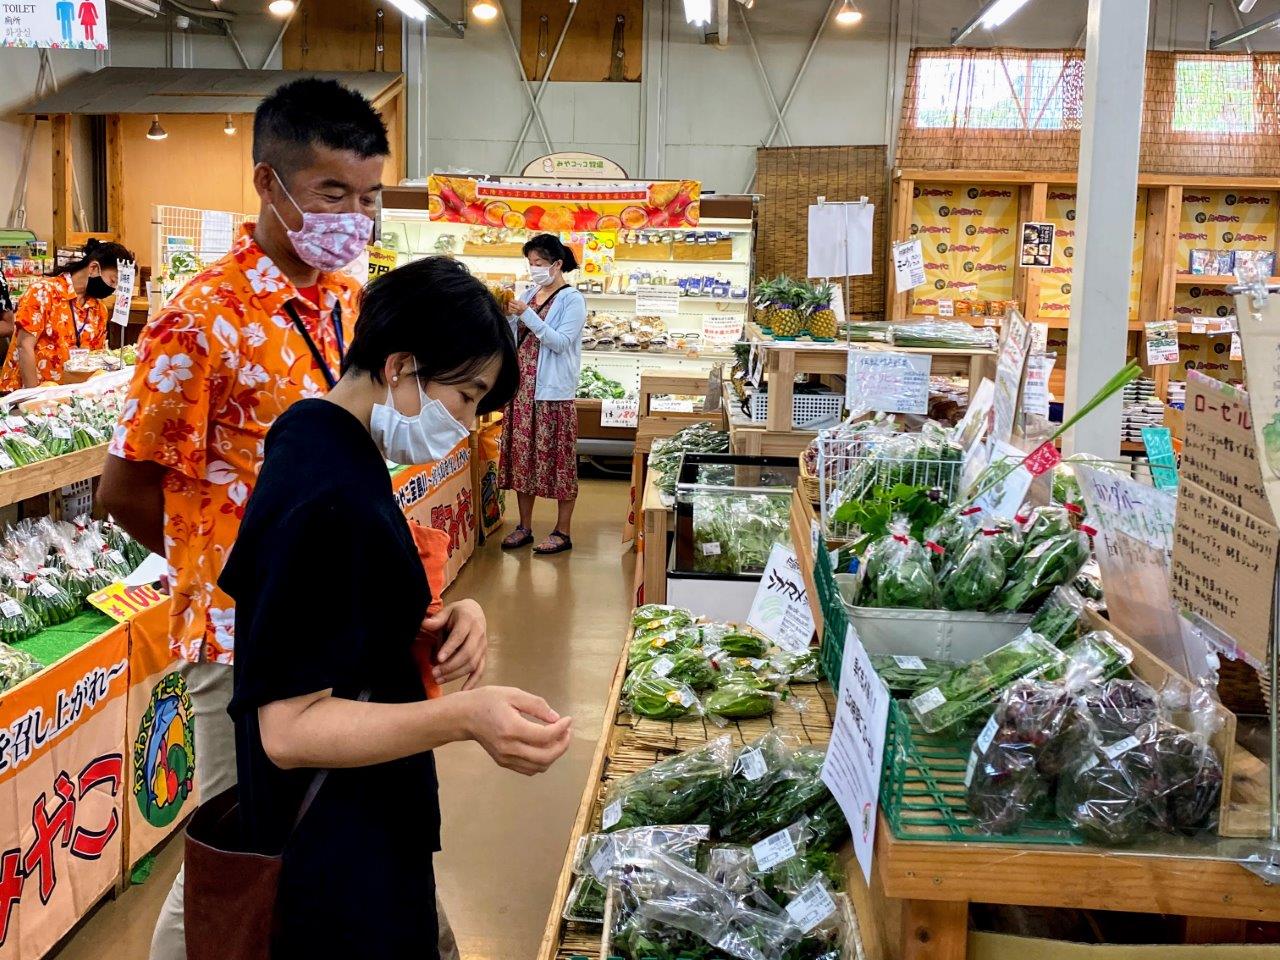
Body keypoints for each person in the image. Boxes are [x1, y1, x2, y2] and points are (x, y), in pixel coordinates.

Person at [96, 78, 464, 960]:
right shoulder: (201, 320)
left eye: (369, 196)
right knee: (241, 851)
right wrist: (247, 577)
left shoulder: (347, 299)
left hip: (344, 629)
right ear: (270, 183)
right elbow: (125, 490)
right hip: (242, 640)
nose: (355, 215)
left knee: (358, 834)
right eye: (334, 193)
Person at [220, 256, 571, 957]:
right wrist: (465, 716)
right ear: (402, 365)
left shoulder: (320, 433)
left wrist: (447, 616)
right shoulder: (327, 490)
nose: (467, 424)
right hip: (333, 853)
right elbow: (288, 729)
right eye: (467, 397)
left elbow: (339, 611)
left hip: (365, 820)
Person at [497, 233, 587, 555]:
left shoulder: (571, 299)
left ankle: (563, 531)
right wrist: (508, 315)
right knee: (523, 459)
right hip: (522, 390)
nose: (533, 269)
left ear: (557, 264)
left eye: (539, 263)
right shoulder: (530, 292)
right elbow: (515, 337)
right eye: (530, 263)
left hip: (552, 394)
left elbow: (560, 342)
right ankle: (524, 526)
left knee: (559, 461)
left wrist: (527, 315)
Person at [0, 238, 133, 390]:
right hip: (25, 395)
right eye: (112, 281)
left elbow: (95, 359)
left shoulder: (99, 310)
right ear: (94, 268)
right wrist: (33, 398)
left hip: (68, 400)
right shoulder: (43, 292)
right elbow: (24, 346)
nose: (112, 289)